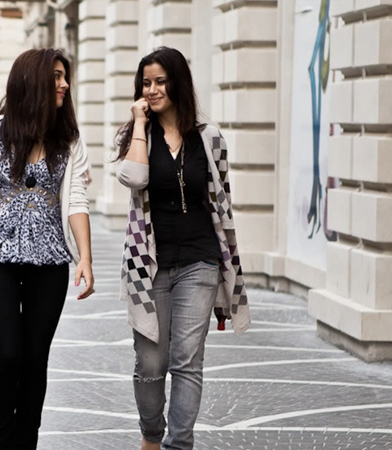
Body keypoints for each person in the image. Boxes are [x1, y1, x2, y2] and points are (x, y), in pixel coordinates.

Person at [0, 48, 94, 450]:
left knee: (36, 359)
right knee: (8, 355)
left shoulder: (68, 138)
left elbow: (77, 201)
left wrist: (84, 256)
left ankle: (25, 444)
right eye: (55, 76)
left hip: (50, 263)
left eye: (65, 76)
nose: (64, 84)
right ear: (32, 81)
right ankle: (0, 444)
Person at [115, 47, 251, 450]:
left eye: (160, 81)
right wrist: (140, 123)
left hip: (200, 260)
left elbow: (221, 199)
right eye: (146, 83)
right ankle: (151, 435)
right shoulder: (138, 137)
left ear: (178, 83)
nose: (153, 90)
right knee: (151, 365)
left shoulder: (209, 139)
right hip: (149, 264)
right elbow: (135, 178)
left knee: (187, 361)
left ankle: (179, 445)